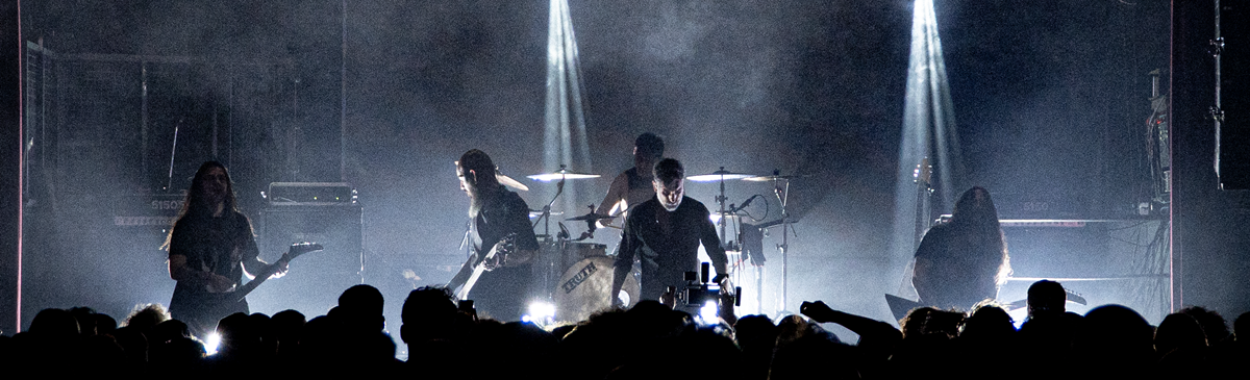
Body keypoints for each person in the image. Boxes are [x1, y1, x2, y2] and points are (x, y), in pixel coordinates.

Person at [164, 161, 287, 338]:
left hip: (232, 307)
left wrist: (273, 269)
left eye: (222, 178)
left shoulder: (239, 222)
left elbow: (251, 266)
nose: (217, 183)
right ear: (200, 185)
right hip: (193, 308)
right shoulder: (187, 225)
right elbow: (176, 269)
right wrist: (209, 278)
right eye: (211, 178)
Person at [611, 158, 729, 308]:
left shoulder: (697, 211)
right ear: (655, 186)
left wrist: (724, 285)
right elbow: (623, 260)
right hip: (652, 300)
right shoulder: (639, 215)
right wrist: (613, 300)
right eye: (666, 192)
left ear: (683, 184)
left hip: (689, 299)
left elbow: (717, 252)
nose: (673, 198)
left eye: (678, 191)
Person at [445, 149, 540, 321]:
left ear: (473, 176)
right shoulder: (479, 208)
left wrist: (500, 261)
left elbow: (529, 252)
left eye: (461, 179)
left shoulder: (511, 205)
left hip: (506, 305)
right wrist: (450, 288)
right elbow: (477, 258)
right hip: (483, 304)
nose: (461, 187)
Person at [911, 186, 1011, 310]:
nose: (977, 206)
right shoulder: (938, 234)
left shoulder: (991, 241)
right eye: (973, 203)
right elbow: (919, 276)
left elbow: (991, 282)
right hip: (938, 311)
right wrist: (936, 308)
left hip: (971, 314)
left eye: (981, 204)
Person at [594, 132, 665, 227]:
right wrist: (601, 221)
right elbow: (597, 218)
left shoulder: (668, 180)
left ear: (657, 159)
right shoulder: (624, 180)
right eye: (639, 159)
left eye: (648, 160)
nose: (642, 164)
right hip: (631, 240)